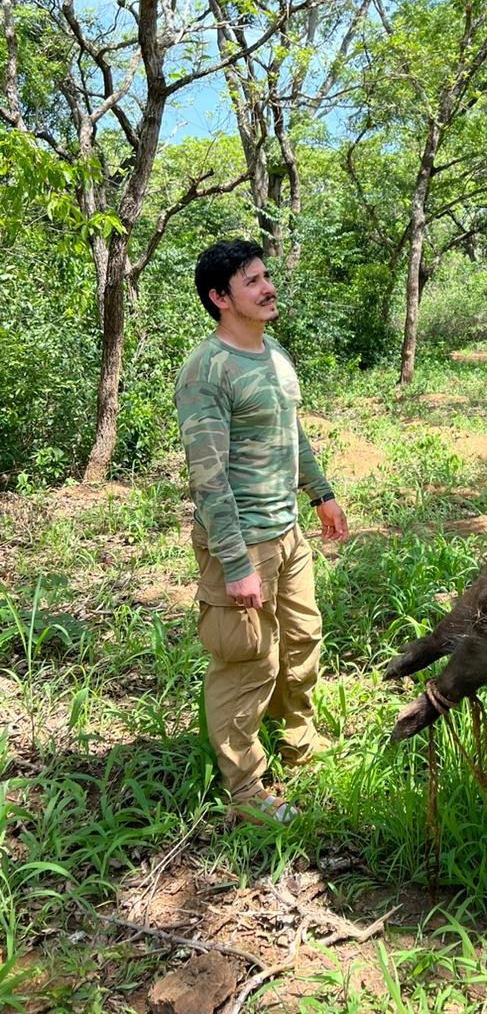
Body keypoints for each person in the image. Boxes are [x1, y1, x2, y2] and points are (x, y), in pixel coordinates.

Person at [174, 239, 347, 825]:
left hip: (288, 532)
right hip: (241, 540)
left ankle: (297, 741)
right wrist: (236, 562)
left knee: (301, 642)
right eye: (252, 281)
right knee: (248, 659)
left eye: (265, 276)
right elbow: (209, 475)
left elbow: (290, 431)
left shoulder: (273, 353)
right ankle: (245, 789)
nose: (267, 287)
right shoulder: (207, 370)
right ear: (220, 298)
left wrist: (320, 492)